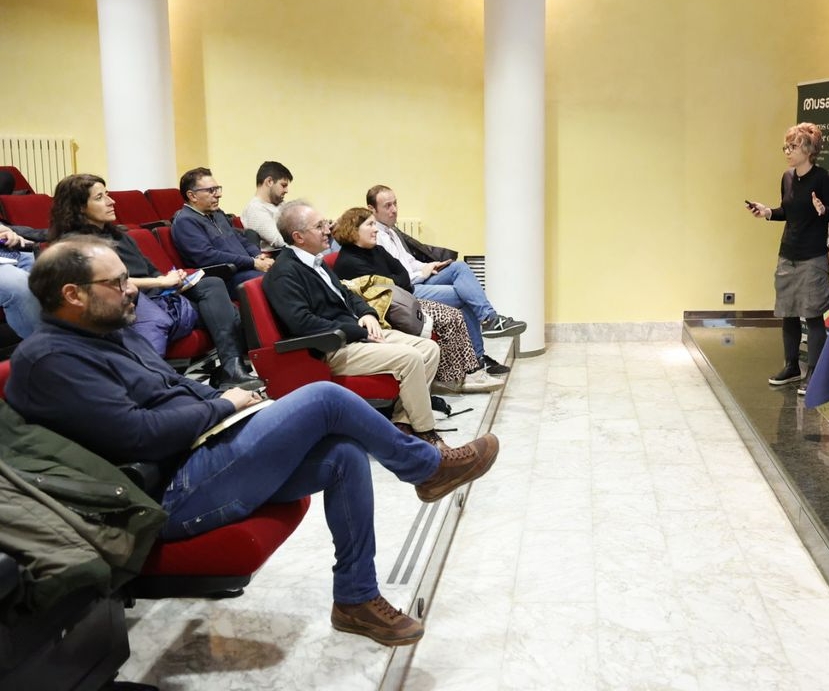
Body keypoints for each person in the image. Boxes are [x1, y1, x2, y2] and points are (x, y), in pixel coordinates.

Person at [5, 236, 501, 647]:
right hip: (157, 496)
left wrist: (230, 402)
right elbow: (139, 435)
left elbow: (179, 390)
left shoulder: (109, 332)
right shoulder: (49, 360)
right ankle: (427, 468)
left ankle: (355, 600)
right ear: (72, 294)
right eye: (116, 283)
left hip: (195, 454)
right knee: (325, 397)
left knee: (344, 455)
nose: (131, 290)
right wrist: (224, 407)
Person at [47, 173, 260, 389]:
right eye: (100, 197)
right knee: (225, 310)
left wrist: (173, 279)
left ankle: (231, 368)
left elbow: (150, 269)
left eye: (108, 194)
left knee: (212, 285)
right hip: (134, 302)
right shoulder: (77, 245)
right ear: (80, 207)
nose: (111, 201)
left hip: (161, 295)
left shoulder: (120, 235)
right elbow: (110, 282)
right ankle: (202, 376)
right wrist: (160, 283)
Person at [263, 201, 447, 447]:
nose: (328, 230)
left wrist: (367, 313)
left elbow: (347, 295)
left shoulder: (314, 261)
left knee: (429, 349)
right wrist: (358, 331)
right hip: (331, 347)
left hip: (353, 334)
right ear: (298, 237)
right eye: (319, 226)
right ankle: (426, 432)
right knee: (411, 358)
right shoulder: (285, 273)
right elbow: (302, 323)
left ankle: (402, 422)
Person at [331, 207, 502, 394]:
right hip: (387, 308)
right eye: (370, 224)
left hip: (403, 297)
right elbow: (386, 286)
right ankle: (458, 374)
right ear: (354, 229)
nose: (376, 229)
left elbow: (402, 275)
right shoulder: (348, 261)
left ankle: (472, 366)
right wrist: (395, 279)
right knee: (451, 313)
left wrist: (396, 279)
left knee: (460, 278)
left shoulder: (377, 250)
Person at [366, 184, 523, 376]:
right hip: (408, 290)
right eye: (387, 206)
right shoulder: (376, 237)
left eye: (395, 203)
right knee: (464, 296)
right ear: (372, 209)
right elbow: (397, 279)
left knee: (459, 267)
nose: (394, 210)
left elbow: (408, 262)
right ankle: (481, 350)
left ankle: (488, 321)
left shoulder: (391, 231)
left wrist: (431, 266)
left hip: (418, 279)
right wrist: (422, 274)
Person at [746, 122, 829, 395]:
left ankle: (814, 372)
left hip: (813, 257)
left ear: (810, 149)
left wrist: (823, 210)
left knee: (812, 315)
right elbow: (788, 211)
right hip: (788, 253)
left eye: (793, 146)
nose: (787, 151)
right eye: (786, 146)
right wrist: (767, 212)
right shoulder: (787, 177)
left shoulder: (824, 179)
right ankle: (791, 367)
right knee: (787, 311)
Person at [171, 167, 274, 298]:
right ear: (192, 196)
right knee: (274, 281)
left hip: (245, 268)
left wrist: (258, 256)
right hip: (225, 278)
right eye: (210, 190)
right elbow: (208, 257)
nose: (218, 194)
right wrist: (253, 262)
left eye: (217, 188)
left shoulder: (217, 214)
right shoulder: (185, 221)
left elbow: (240, 239)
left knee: (287, 273)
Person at [0, 223, 41, 339]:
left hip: (6, 252)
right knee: (20, 285)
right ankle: (47, 350)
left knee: (54, 268)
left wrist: (4, 231)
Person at [240, 160, 292, 250]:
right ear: (269, 182)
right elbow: (279, 241)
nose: (286, 190)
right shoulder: (255, 209)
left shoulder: (280, 204)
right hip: (280, 257)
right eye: (283, 185)